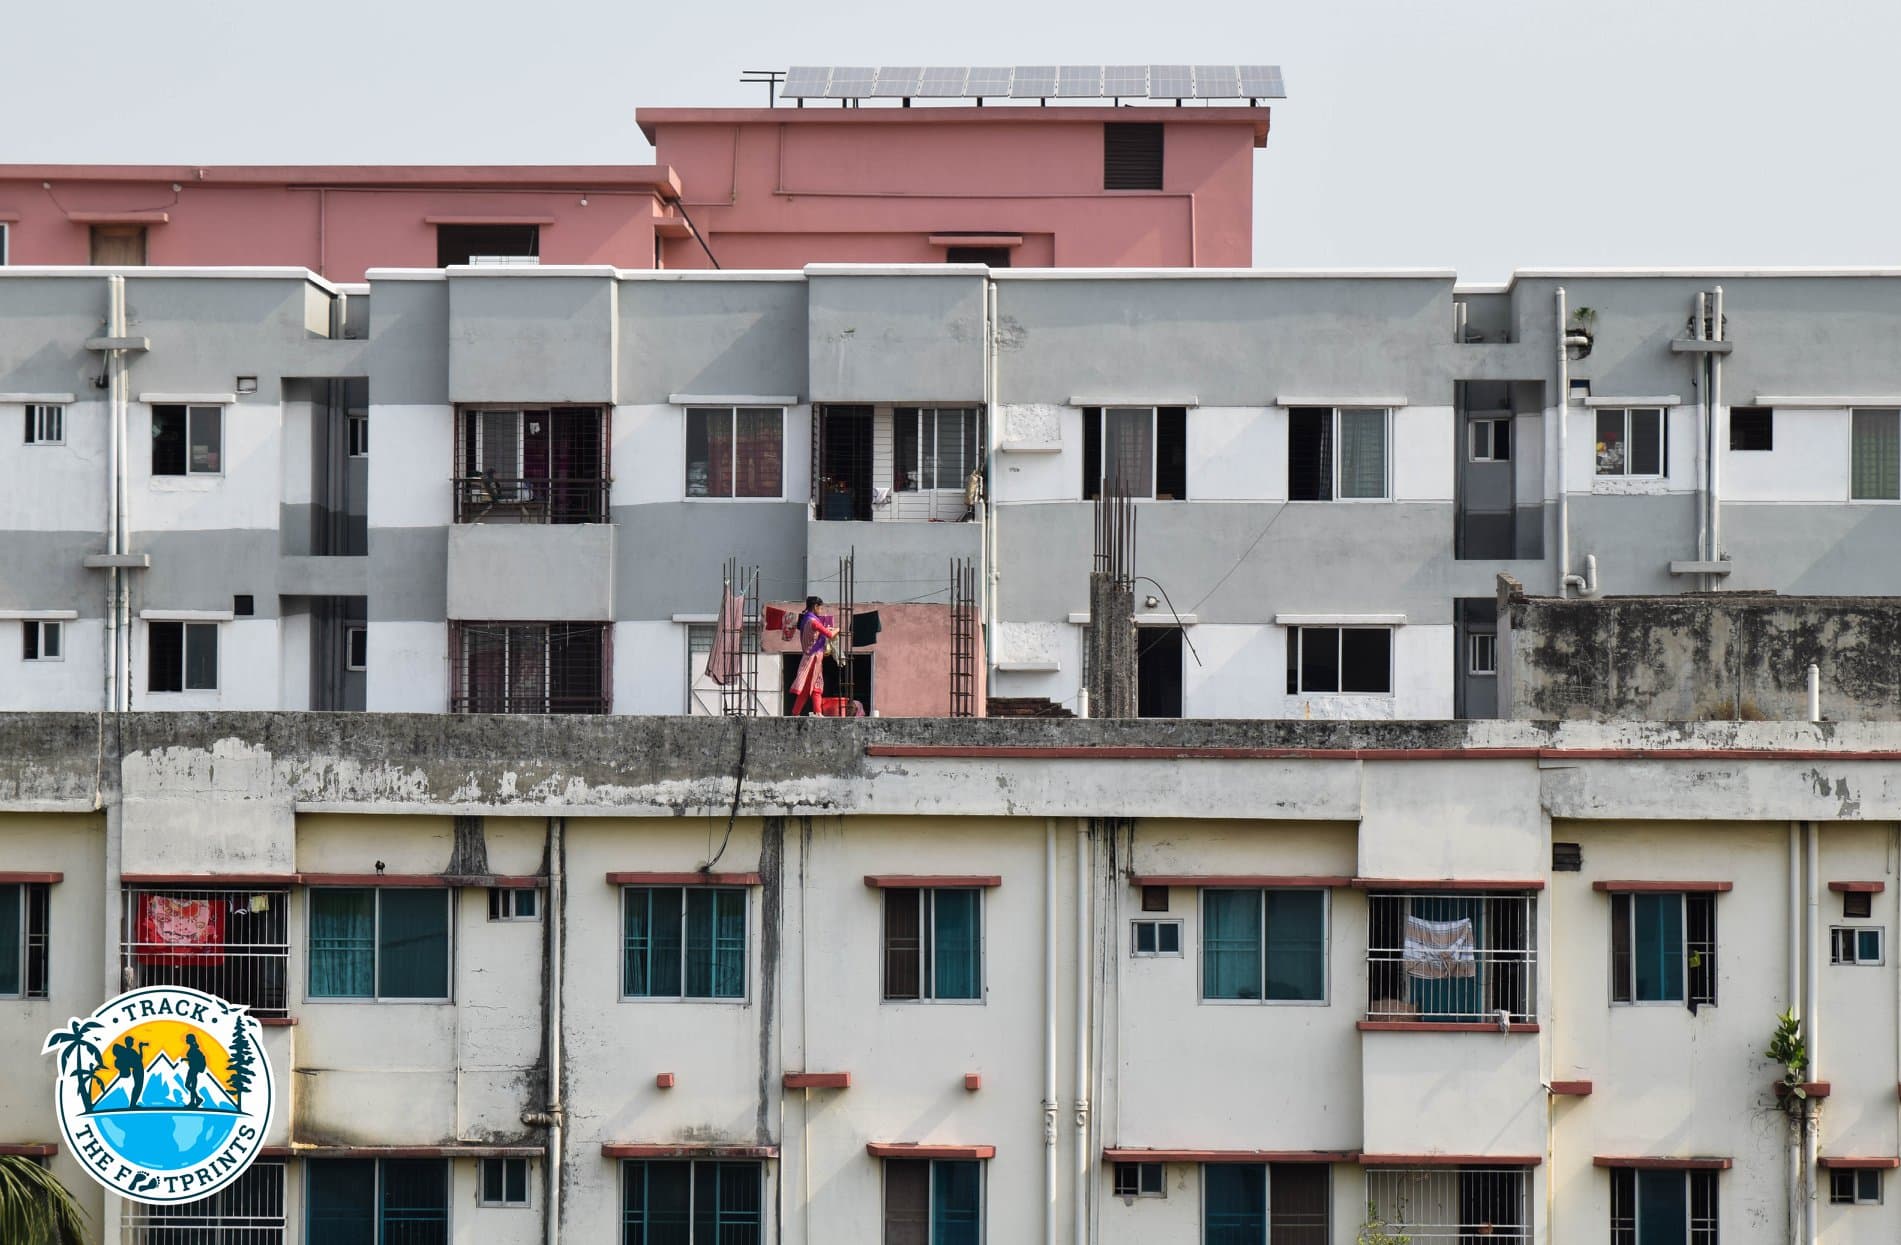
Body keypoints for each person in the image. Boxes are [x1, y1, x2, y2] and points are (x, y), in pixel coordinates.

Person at [788, 596, 837, 717]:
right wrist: (838, 629)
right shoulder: (814, 622)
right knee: (811, 687)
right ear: (815, 607)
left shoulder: (805, 620)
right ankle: (802, 713)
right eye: (820, 608)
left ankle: (812, 712)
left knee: (815, 687)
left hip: (811, 656)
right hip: (813, 658)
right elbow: (830, 634)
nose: (821, 611)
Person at [111, 1035, 147, 1109]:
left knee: (137, 1087)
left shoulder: (128, 1051)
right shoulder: (130, 1051)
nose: (133, 1043)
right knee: (138, 1087)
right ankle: (133, 1104)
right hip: (138, 1070)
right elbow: (139, 1059)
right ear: (129, 1042)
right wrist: (140, 1048)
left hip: (137, 1069)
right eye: (132, 1041)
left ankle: (133, 1104)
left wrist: (140, 1048)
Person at [182, 1033, 208, 1109]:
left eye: (187, 1039)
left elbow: (194, 1059)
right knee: (191, 1086)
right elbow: (193, 1058)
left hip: (193, 1069)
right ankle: (196, 1100)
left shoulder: (193, 1048)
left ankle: (194, 1101)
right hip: (193, 1069)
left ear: (190, 1040)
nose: (186, 1040)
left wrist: (186, 1059)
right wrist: (186, 1059)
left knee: (188, 1085)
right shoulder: (192, 1047)